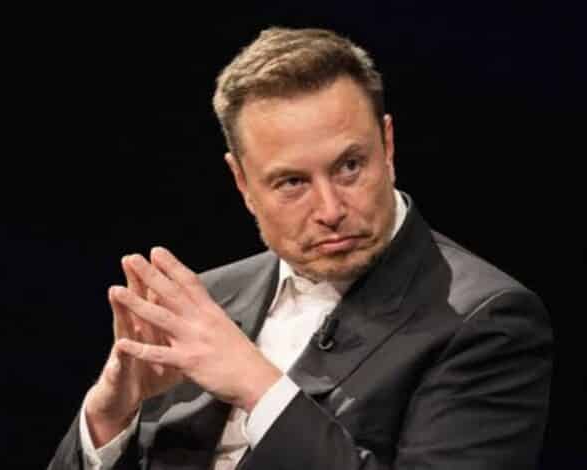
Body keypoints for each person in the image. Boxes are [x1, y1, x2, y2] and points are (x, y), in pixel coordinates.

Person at [47, 27, 552, 469]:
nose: (330, 209)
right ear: (242, 183)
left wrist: (258, 386)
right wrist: (108, 417)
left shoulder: (486, 319)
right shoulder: (204, 305)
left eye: (349, 166)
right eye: (292, 182)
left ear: (388, 145)